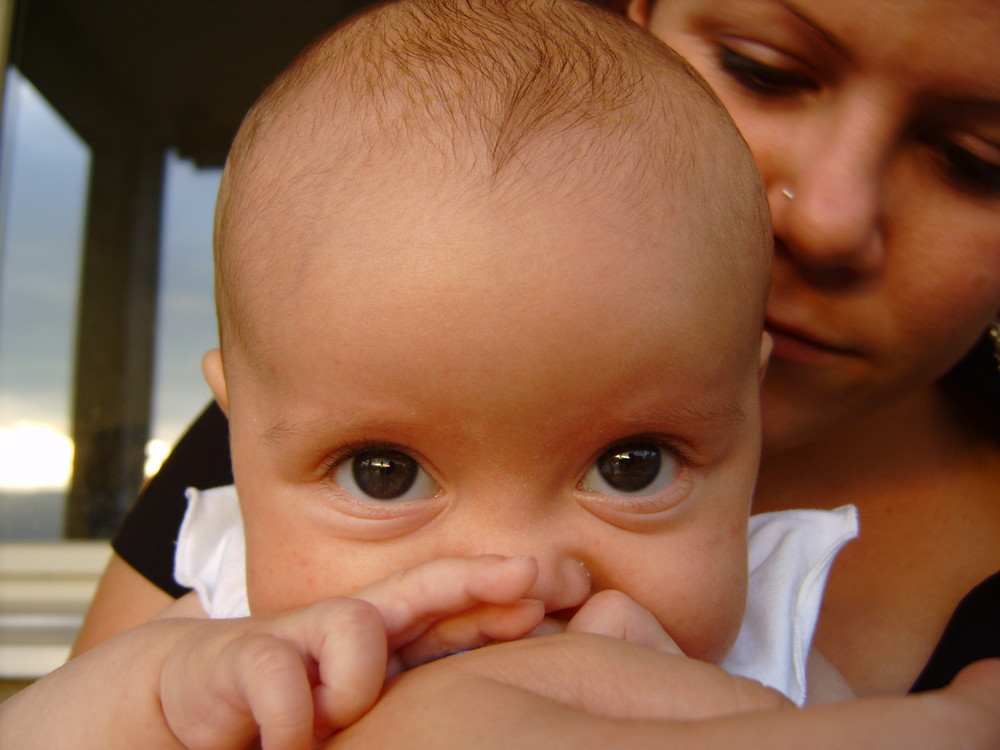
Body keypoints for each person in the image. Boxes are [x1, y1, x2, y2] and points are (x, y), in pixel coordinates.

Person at [1, 0, 870, 746]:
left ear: (747, 415)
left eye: (632, 466)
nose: (519, 578)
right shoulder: (236, 639)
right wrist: (160, 701)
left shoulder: (769, 657)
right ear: (237, 438)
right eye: (383, 474)